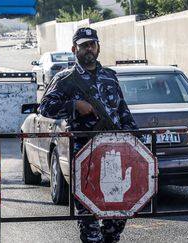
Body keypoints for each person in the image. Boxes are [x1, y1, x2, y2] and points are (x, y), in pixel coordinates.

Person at [39, 27, 138, 243]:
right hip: (84, 154)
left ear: (98, 47)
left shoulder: (110, 77)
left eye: (92, 44)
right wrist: (74, 105)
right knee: (89, 217)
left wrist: (137, 142)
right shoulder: (65, 79)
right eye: (84, 45)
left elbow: (122, 110)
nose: (89, 49)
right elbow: (45, 107)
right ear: (74, 49)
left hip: (114, 153)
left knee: (118, 213)